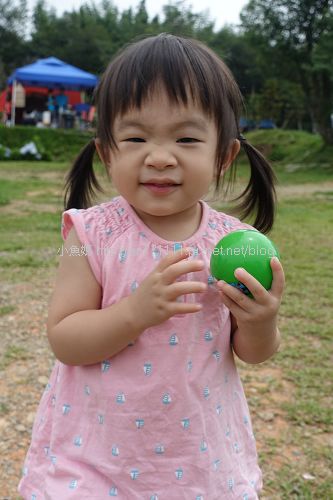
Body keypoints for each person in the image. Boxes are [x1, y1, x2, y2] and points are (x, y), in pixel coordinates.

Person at [18, 33, 285, 499]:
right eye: (136, 137)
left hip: (198, 458)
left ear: (223, 155)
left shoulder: (234, 243)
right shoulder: (88, 236)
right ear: (106, 151)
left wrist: (261, 323)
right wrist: (134, 313)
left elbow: (253, 352)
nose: (160, 157)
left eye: (185, 138)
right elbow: (65, 338)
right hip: (97, 458)